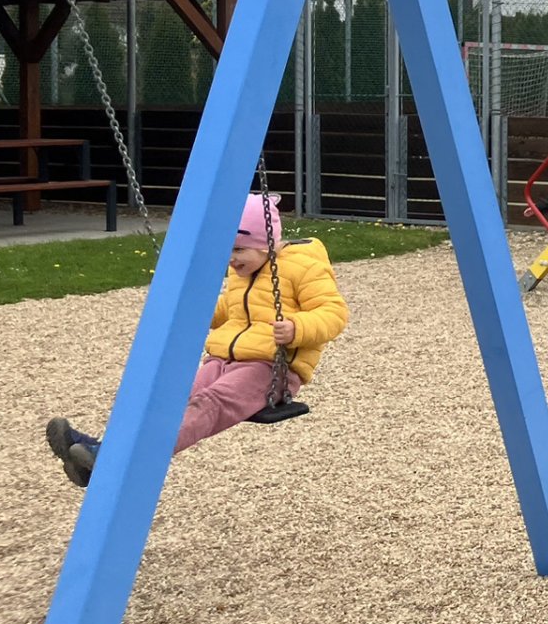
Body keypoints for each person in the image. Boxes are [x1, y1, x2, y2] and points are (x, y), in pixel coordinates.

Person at [45, 193, 350, 488]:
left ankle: (114, 459)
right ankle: (100, 452)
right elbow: (230, 309)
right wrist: (195, 312)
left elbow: (334, 313)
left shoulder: (304, 267)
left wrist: (296, 328)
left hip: (270, 369)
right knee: (171, 401)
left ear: (266, 243)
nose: (231, 258)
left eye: (238, 249)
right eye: (227, 249)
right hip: (223, 360)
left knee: (208, 404)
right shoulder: (245, 269)